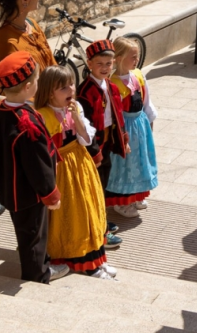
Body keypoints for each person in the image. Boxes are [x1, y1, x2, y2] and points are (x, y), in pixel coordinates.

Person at [0, 52, 70, 284]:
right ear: (27, 87)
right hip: (29, 193)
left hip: (11, 187)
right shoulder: (26, 122)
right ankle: (38, 274)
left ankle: (39, 264)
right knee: (34, 236)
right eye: (36, 81)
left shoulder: (3, 111)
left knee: (27, 233)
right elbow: (38, 164)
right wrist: (50, 193)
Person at [34, 65, 112, 279]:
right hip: (62, 171)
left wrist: (76, 118)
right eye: (63, 88)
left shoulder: (75, 107)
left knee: (89, 210)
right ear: (50, 92)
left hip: (81, 165)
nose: (71, 90)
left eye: (71, 85)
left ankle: (96, 259)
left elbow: (86, 140)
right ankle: (82, 263)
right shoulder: (43, 116)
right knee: (72, 217)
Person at [75, 40, 126, 253]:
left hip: (106, 143)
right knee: (96, 188)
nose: (105, 68)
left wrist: (123, 140)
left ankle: (102, 220)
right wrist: (94, 152)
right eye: (100, 64)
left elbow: (117, 115)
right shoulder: (85, 92)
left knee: (103, 185)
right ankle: (100, 231)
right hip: (93, 148)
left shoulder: (110, 86)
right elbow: (84, 126)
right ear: (89, 64)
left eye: (109, 63)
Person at [106, 37, 159, 218]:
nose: (136, 60)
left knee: (140, 162)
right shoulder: (113, 84)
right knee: (126, 166)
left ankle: (137, 195)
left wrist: (149, 121)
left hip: (139, 125)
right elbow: (113, 113)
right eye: (133, 57)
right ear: (119, 58)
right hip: (126, 128)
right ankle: (122, 202)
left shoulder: (138, 75)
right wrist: (120, 137)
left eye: (137, 56)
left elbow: (146, 100)